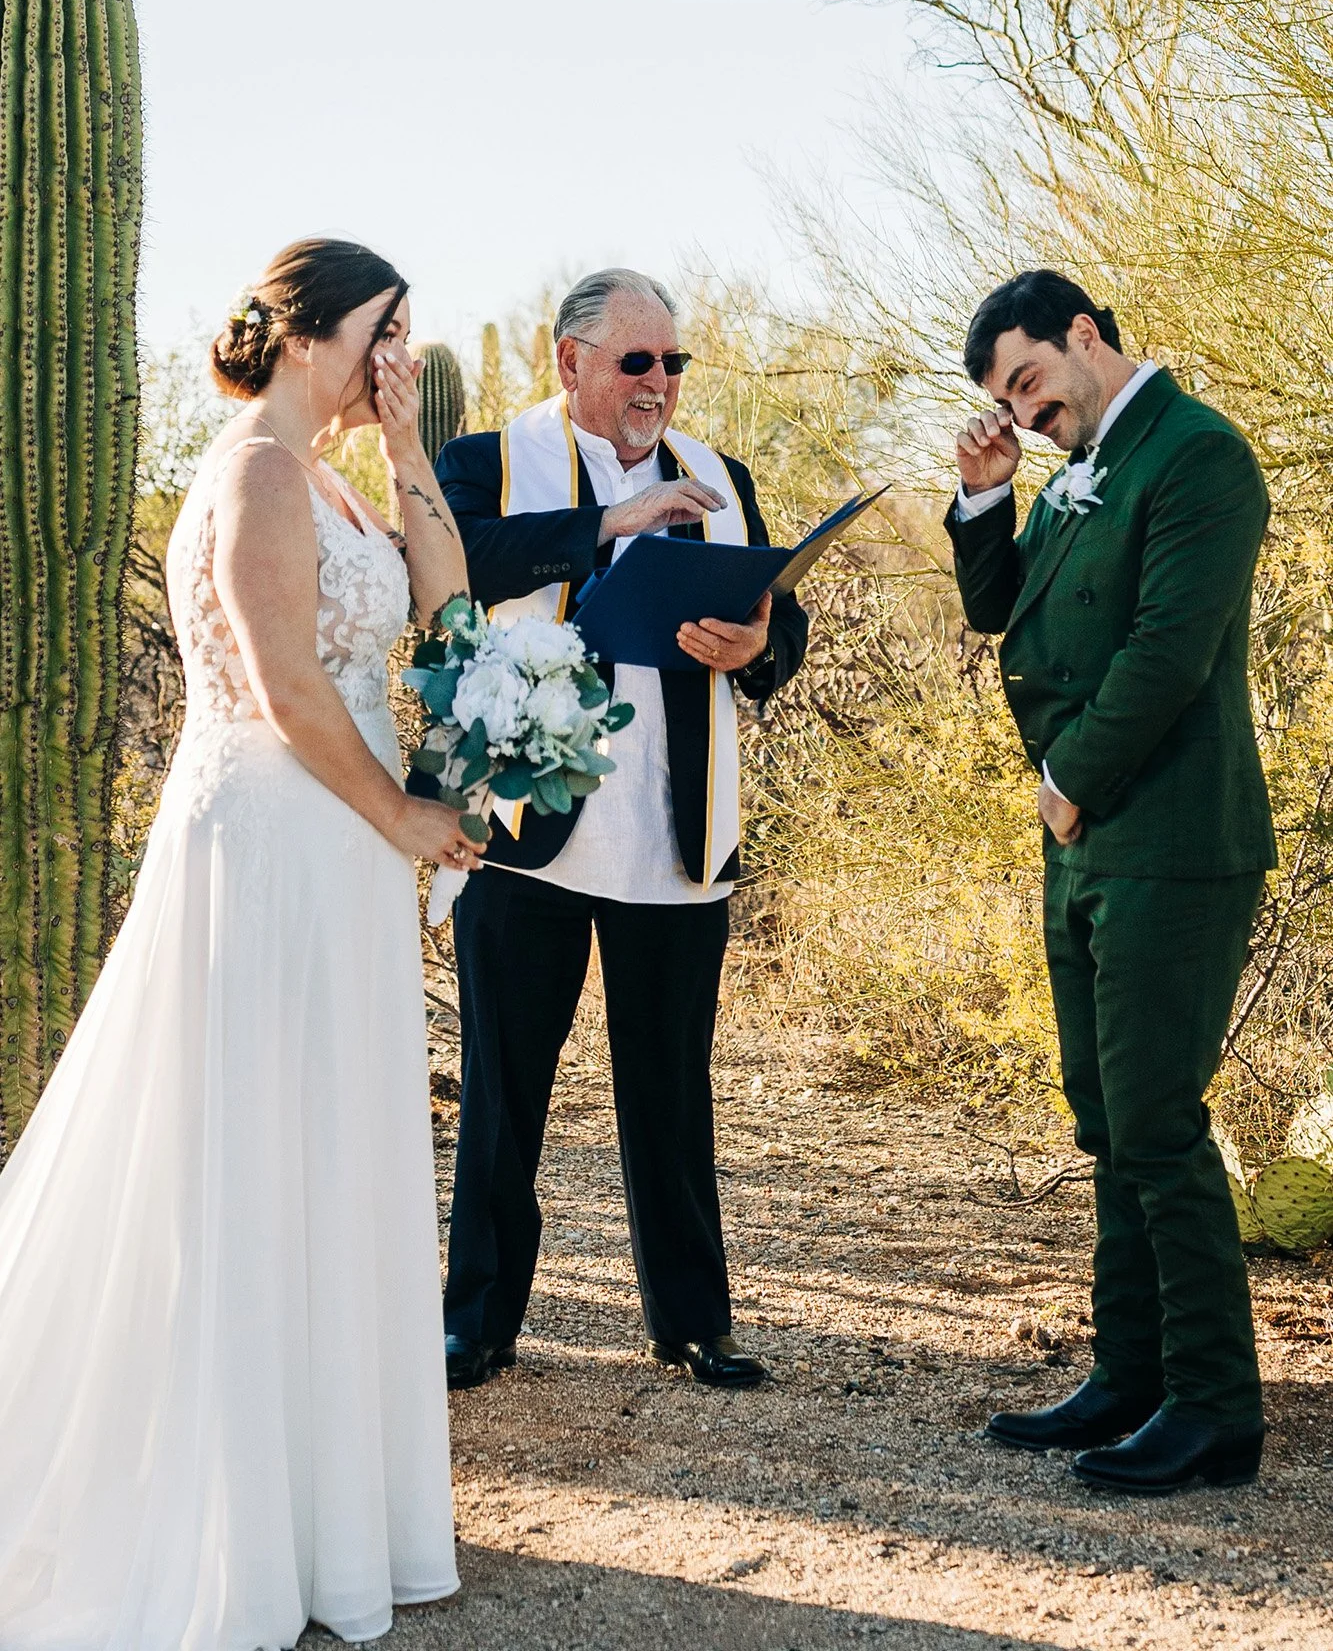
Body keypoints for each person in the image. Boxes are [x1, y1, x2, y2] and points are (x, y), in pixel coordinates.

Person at [0, 238, 482, 1646]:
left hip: (336, 842)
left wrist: (407, 443)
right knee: (256, 1149)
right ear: (320, 325)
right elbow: (279, 682)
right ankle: (232, 1523)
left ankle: (325, 1510)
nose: (402, 351)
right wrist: (400, 810)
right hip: (278, 837)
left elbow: (445, 608)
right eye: (389, 331)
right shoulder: (258, 471)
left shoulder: (334, 468)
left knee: (328, 1148)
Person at [433, 268, 808, 1391]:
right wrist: (609, 522)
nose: (660, 383)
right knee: (506, 1087)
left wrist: (761, 647)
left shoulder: (721, 478)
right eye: (637, 361)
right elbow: (455, 563)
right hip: (527, 823)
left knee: (669, 1080)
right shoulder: (489, 461)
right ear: (570, 363)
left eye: (674, 362)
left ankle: (692, 1320)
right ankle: (480, 1320)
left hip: (674, 825)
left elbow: (776, 614)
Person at [946, 268, 1275, 1496]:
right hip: (1084, 837)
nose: (1026, 414)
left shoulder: (1197, 455)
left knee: (1157, 1120)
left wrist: (1066, 777)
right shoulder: (1077, 469)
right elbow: (1003, 616)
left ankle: (1213, 1404)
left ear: (1085, 336)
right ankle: (1129, 1371)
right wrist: (987, 502)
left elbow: (1169, 650)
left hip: (1173, 836)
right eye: (1006, 401)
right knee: (1104, 1115)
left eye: (1030, 381)